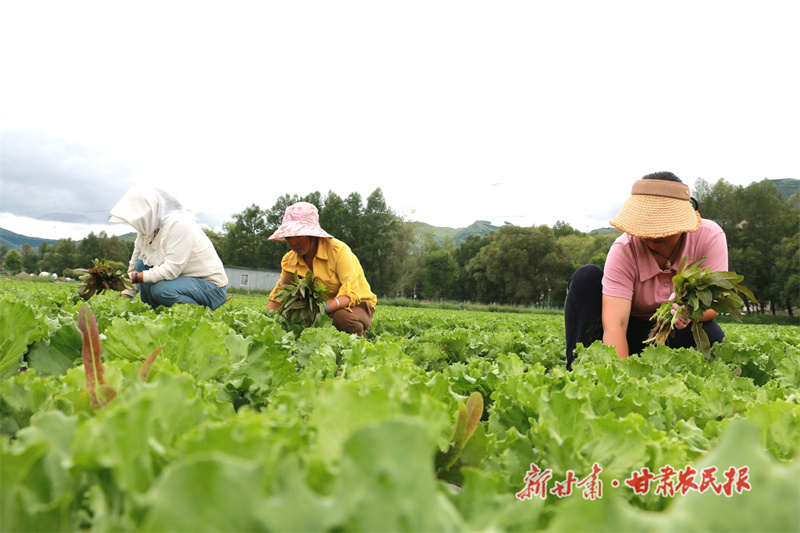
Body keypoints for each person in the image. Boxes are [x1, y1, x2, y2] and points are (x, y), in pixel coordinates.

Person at [564, 172, 728, 369]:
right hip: (632, 336)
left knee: (712, 336)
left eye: (663, 226)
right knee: (586, 277)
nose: (654, 234)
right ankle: (576, 368)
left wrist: (689, 311)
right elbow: (616, 325)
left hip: (677, 330)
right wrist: (621, 379)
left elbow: (714, 304)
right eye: (648, 226)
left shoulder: (709, 236)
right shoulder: (624, 249)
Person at [109, 185, 229, 310]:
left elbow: (171, 270)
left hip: (210, 286)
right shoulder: (145, 234)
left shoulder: (178, 225)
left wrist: (135, 277)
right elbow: (133, 267)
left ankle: (199, 313)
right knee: (141, 264)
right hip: (182, 280)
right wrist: (124, 299)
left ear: (148, 213)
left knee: (161, 290)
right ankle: (154, 312)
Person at [267, 202, 377, 336]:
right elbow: (279, 294)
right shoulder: (289, 259)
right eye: (289, 237)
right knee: (290, 278)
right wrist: (267, 319)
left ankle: (360, 344)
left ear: (312, 235)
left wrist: (324, 309)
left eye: (298, 236)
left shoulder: (338, 251)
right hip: (322, 307)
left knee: (340, 318)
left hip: (358, 303)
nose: (293, 243)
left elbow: (351, 294)